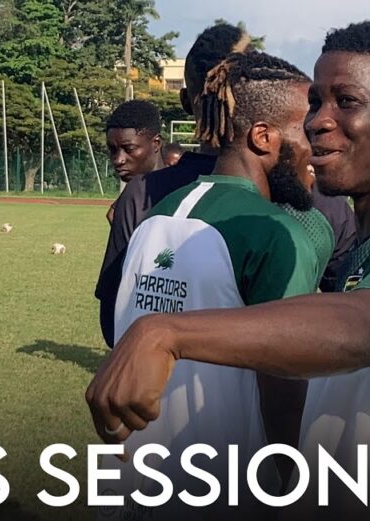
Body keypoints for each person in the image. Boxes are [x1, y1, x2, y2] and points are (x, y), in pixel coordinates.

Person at [87, 21, 370, 521]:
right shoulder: (359, 241)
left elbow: (362, 331)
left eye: (346, 102)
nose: (318, 121)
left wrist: (163, 332)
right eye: (316, 101)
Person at [95, 51, 322, 521]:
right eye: (305, 128)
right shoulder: (274, 231)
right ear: (263, 137)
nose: (317, 145)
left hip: (132, 491)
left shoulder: (155, 213)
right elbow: (284, 387)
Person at [96, 23, 253, 347]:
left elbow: (114, 321)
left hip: (162, 389)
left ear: (185, 100)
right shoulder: (306, 199)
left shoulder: (141, 196)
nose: (120, 159)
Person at [104, 99, 163, 223]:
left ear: (156, 143)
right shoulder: (129, 199)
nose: (118, 160)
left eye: (129, 149)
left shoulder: (179, 197)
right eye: (113, 150)